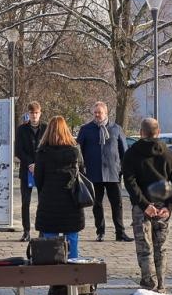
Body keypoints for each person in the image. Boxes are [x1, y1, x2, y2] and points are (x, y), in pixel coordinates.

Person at [120, 117, 172, 291]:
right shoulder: (169, 154)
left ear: (141, 132)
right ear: (158, 132)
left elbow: (130, 182)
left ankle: (148, 283)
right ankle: (161, 285)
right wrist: (169, 207)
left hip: (142, 208)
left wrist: (144, 204)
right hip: (163, 207)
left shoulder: (131, 154)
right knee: (161, 247)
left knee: (144, 246)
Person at [33, 115, 86, 262]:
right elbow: (82, 173)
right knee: (72, 238)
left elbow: (38, 180)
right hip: (72, 201)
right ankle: (73, 276)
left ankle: (54, 279)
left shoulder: (42, 153)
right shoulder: (75, 151)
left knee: (50, 242)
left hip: (49, 202)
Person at [76, 101, 130, 242]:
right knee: (97, 204)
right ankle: (100, 232)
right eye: (95, 113)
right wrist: (82, 170)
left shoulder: (116, 129)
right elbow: (78, 151)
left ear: (106, 113)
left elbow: (124, 151)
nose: (97, 115)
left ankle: (120, 232)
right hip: (93, 173)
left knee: (117, 203)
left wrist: (123, 170)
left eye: (99, 112)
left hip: (113, 172)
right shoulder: (86, 129)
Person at [14, 103, 47, 242]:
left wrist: (38, 164)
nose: (34, 115)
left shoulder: (46, 128)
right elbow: (19, 150)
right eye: (32, 113)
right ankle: (26, 231)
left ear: (40, 113)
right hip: (26, 169)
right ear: (29, 113)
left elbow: (47, 147)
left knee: (43, 202)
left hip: (42, 170)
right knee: (25, 202)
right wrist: (30, 164)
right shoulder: (22, 129)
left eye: (36, 113)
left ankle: (42, 230)